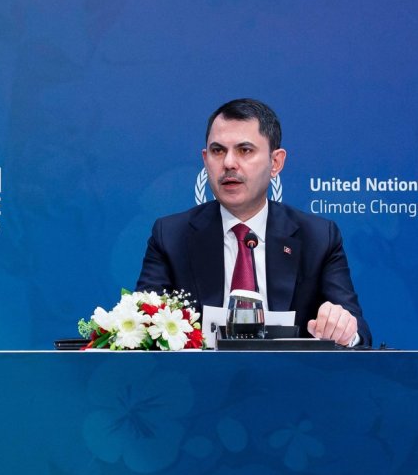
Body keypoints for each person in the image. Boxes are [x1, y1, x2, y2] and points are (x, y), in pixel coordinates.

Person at [136, 98, 371, 346]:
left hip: (292, 379)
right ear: (205, 160)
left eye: (244, 150)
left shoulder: (319, 237)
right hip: (199, 381)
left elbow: (360, 333)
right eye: (218, 151)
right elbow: (143, 327)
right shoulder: (171, 236)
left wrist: (344, 329)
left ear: (276, 163)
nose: (228, 163)